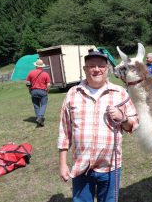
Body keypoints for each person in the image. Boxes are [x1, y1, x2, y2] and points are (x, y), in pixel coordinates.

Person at [58, 49, 138, 202]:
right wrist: (62, 164)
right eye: (91, 66)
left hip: (110, 167)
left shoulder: (119, 93)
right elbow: (64, 131)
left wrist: (123, 118)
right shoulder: (73, 93)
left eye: (101, 66)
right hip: (81, 167)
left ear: (107, 69)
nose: (96, 69)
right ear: (84, 69)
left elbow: (133, 125)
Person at [26, 58, 51, 127]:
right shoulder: (45, 74)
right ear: (42, 66)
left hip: (33, 91)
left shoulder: (31, 73)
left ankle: (38, 119)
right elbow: (48, 85)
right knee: (43, 104)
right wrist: (47, 91)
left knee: (36, 106)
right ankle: (40, 117)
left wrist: (30, 90)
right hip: (42, 91)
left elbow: (28, 83)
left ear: (36, 65)